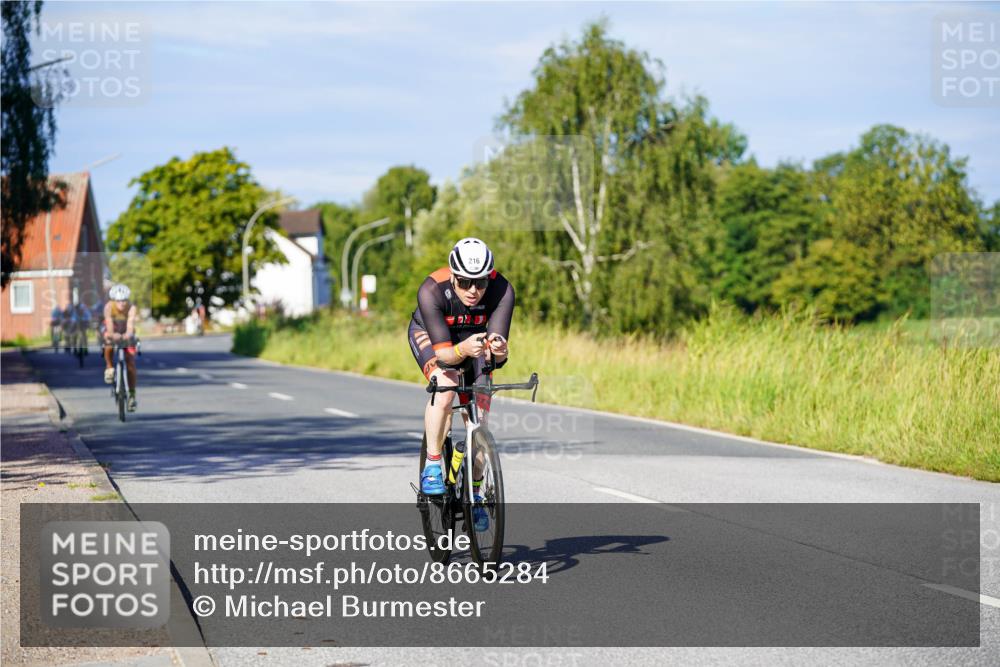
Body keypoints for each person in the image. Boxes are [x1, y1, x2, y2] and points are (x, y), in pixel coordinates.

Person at [407, 238, 514, 529]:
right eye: (464, 282)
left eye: (479, 283)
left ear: (489, 278)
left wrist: (500, 350)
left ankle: (475, 495)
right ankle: (432, 464)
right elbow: (444, 354)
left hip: (474, 341)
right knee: (446, 384)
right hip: (434, 338)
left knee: (480, 420)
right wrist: (462, 350)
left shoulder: (502, 290)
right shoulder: (431, 290)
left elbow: (496, 349)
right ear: (453, 276)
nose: (473, 291)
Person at [103, 284, 138, 411]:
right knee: (108, 340)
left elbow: (130, 324)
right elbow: (109, 324)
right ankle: (109, 367)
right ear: (114, 300)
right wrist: (112, 335)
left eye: (124, 300)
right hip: (113, 330)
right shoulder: (108, 307)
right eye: (119, 300)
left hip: (126, 332)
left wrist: (128, 335)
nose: (122, 303)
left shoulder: (131, 308)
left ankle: (132, 395)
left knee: (131, 364)